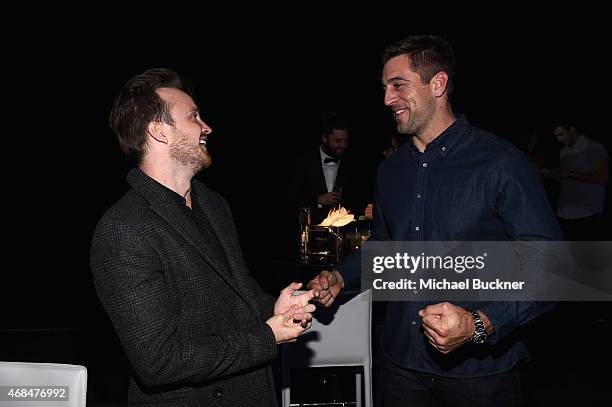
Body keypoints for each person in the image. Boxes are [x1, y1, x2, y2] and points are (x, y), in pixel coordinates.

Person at [309, 35, 562, 406]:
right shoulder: (390, 172)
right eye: (384, 88)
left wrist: (481, 323)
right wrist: (340, 277)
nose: (386, 99)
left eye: (398, 86)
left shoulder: (500, 163)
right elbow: (383, 251)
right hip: (399, 366)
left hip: (479, 375)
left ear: (438, 84)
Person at [90, 68, 316, 406]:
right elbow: (159, 362)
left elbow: (240, 290)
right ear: (158, 131)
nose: (206, 126)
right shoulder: (123, 229)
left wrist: (274, 308)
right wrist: (267, 336)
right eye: (194, 116)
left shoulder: (213, 203)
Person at [289, 111, 362, 224]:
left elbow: (357, 200)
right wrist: (318, 200)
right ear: (324, 138)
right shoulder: (304, 162)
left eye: (346, 141)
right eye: (338, 141)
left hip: (341, 231)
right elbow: (292, 198)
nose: (343, 145)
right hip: (310, 229)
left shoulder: (352, 163)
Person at [548, 119, 609, 240]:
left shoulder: (594, 147)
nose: (559, 139)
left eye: (561, 134)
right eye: (556, 136)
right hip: (564, 214)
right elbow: (569, 181)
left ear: (572, 130)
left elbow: (603, 178)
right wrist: (553, 175)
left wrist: (571, 173)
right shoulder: (563, 151)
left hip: (586, 216)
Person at [364, 131, 407, 219]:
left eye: (388, 148)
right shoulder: (385, 173)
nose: (384, 153)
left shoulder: (410, 174)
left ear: (398, 148)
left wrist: (379, 213)